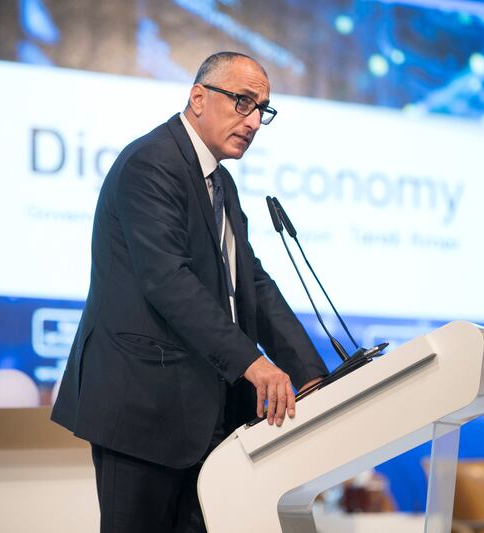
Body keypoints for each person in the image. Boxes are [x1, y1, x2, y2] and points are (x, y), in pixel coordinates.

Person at [51, 51, 328, 533]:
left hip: (202, 417)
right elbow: (168, 281)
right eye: (243, 102)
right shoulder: (150, 164)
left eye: (263, 109)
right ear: (198, 97)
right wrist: (253, 362)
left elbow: (252, 283)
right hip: (142, 409)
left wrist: (311, 375)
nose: (255, 121)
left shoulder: (221, 183)